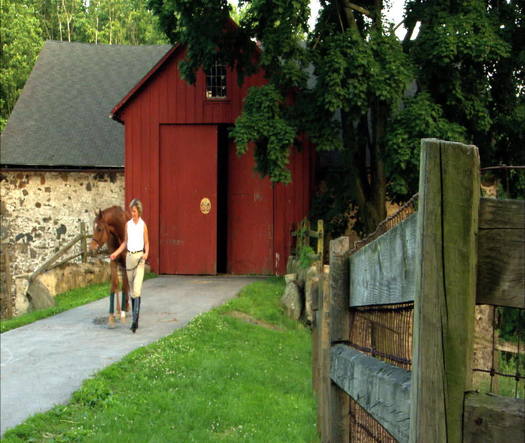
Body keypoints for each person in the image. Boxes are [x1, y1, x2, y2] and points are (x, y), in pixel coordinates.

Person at [110, 199, 149, 333]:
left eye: (134, 211)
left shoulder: (143, 225)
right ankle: (135, 318)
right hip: (129, 258)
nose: (132, 213)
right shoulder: (128, 225)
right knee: (132, 290)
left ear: (138, 211)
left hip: (139, 258)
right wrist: (116, 253)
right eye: (131, 211)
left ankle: (134, 321)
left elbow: (147, 243)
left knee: (137, 289)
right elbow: (125, 243)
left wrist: (146, 254)